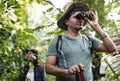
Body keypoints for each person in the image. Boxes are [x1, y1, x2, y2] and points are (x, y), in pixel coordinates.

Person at [45, 2, 116, 81]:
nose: (80, 20)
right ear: (66, 22)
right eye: (77, 17)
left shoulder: (89, 40)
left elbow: (112, 49)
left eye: (82, 18)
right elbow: (48, 68)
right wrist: (67, 71)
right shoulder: (58, 41)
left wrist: (96, 26)